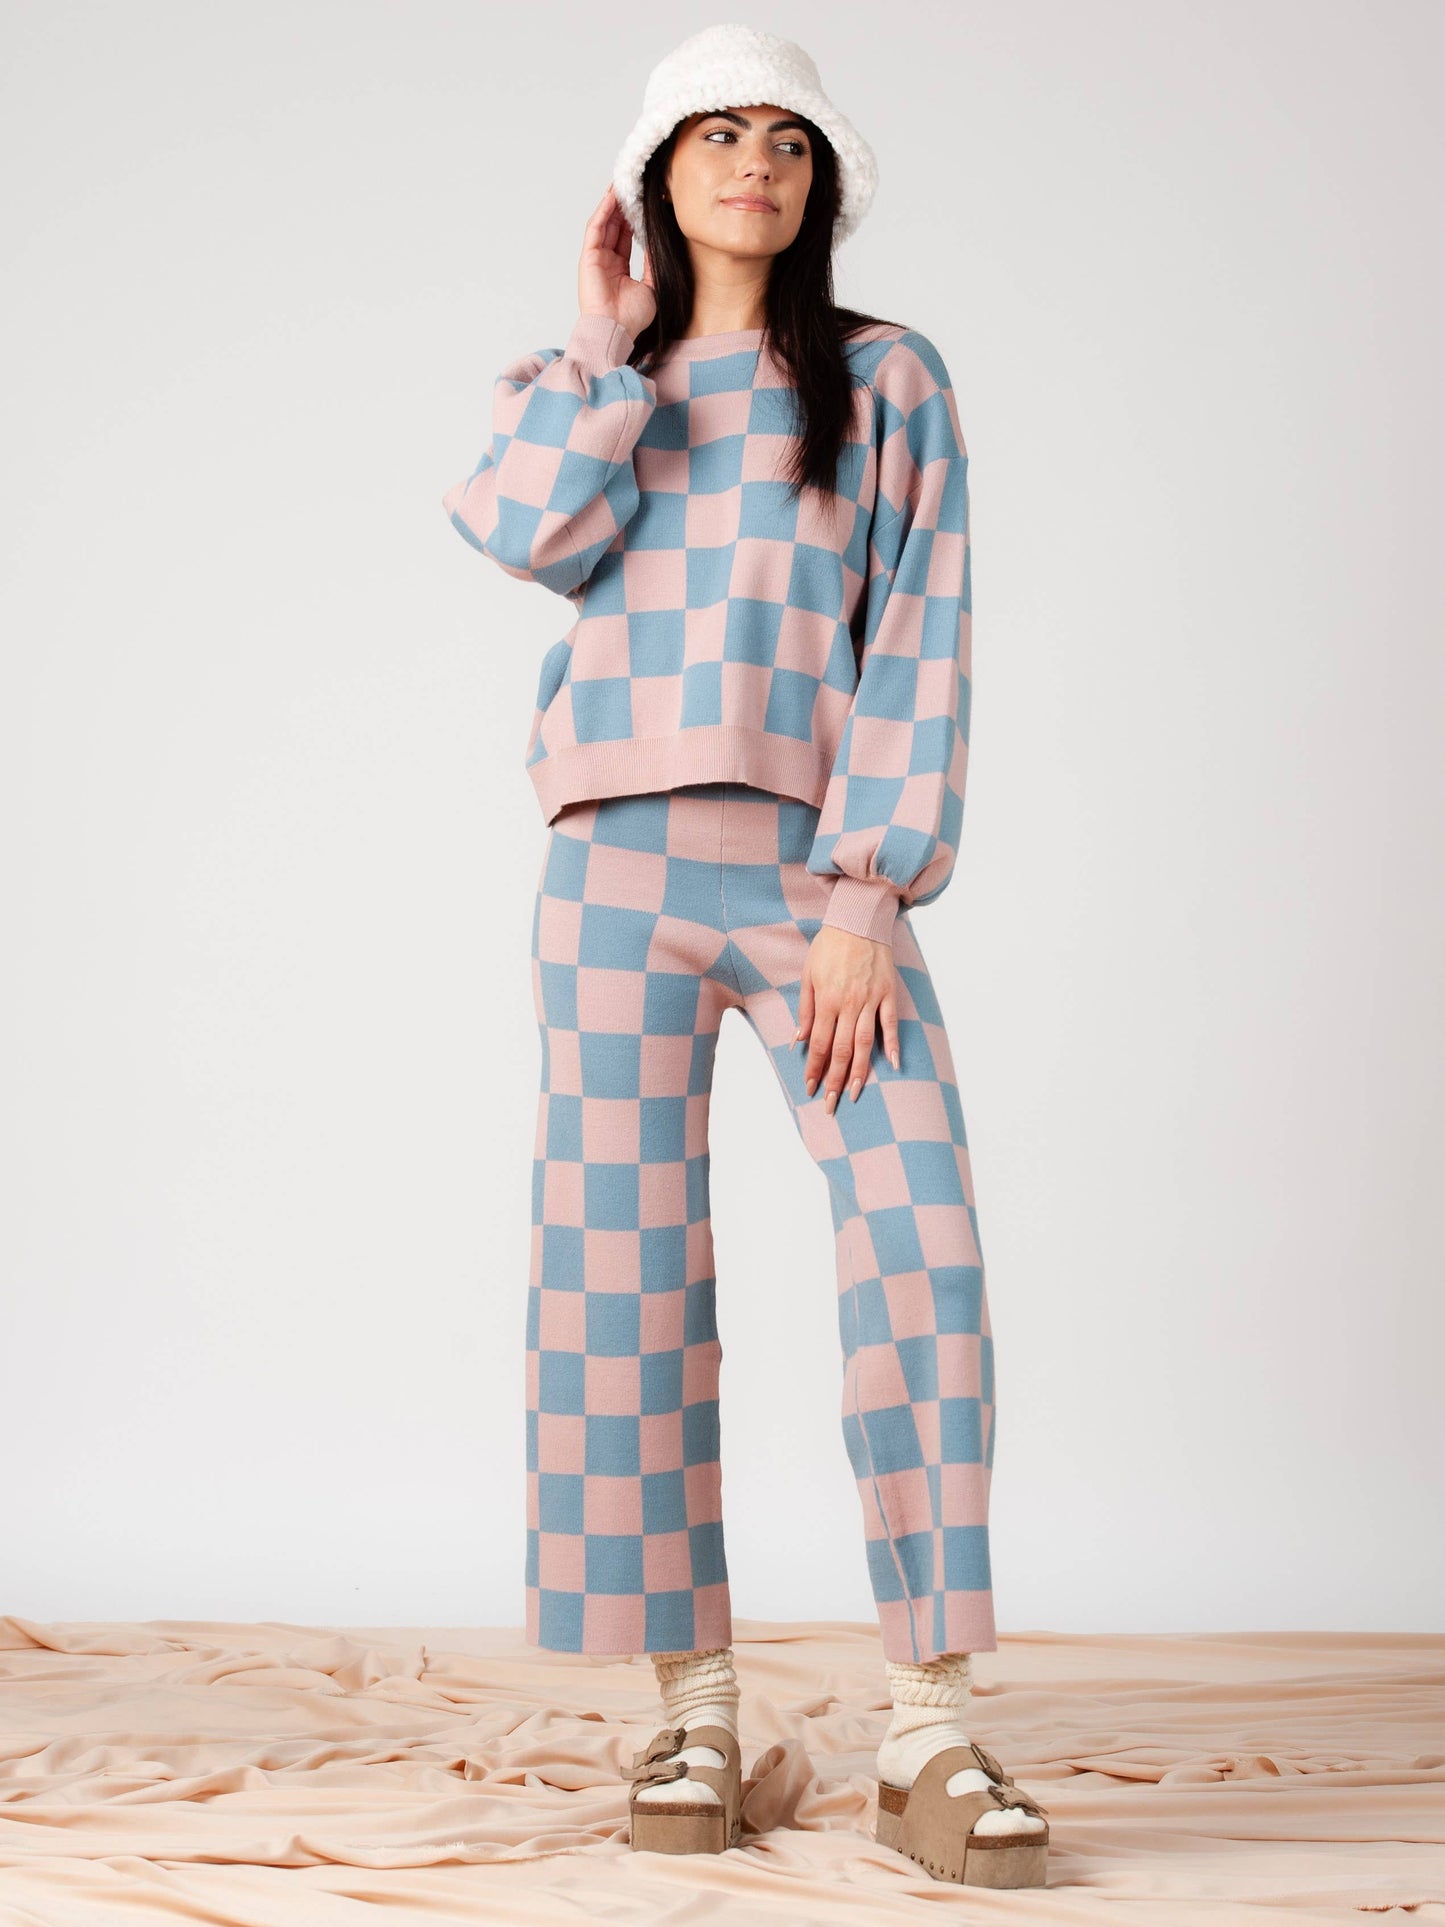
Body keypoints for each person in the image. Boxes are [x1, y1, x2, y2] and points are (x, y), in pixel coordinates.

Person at [441, 22, 1049, 1889]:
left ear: (819, 181)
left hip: (807, 877)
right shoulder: (589, 389)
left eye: (789, 140)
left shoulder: (883, 377)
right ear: (658, 170)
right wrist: (599, 342)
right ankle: (692, 1709)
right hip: (609, 874)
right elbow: (517, 532)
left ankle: (927, 1726)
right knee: (619, 1284)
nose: (756, 165)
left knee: (919, 1245)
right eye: (717, 134)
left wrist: (865, 897)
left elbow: (922, 628)